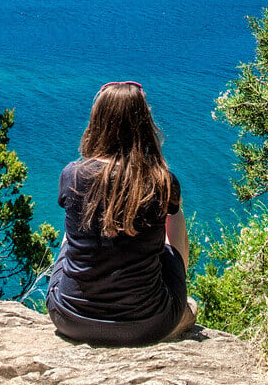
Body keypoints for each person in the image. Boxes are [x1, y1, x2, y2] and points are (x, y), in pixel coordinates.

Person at [46, 81, 198, 345]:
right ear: (144, 124)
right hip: (148, 325)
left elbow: (70, 239)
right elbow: (172, 235)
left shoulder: (72, 174)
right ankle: (178, 296)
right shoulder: (162, 181)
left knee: (72, 237)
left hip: (70, 319)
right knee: (174, 216)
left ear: (98, 122)